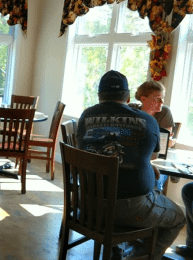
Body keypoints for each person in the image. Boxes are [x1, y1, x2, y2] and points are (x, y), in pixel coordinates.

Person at [76, 70, 185, 260]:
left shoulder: (86, 116)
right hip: (132, 209)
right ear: (127, 97)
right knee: (178, 217)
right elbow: (151, 156)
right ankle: (140, 255)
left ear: (99, 96)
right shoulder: (148, 121)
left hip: (87, 204)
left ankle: (118, 247)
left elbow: (85, 152)